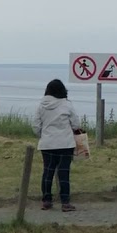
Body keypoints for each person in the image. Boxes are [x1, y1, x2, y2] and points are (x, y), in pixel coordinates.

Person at [33, 79, 79, 212]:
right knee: (64, 173)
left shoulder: (41, 105)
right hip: (65, 144)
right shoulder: (67, 105)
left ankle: (46, 200)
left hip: (47, 144)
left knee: (48, 172)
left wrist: (44, 135)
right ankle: (65, 202)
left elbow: (36, 126)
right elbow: (76, 124)